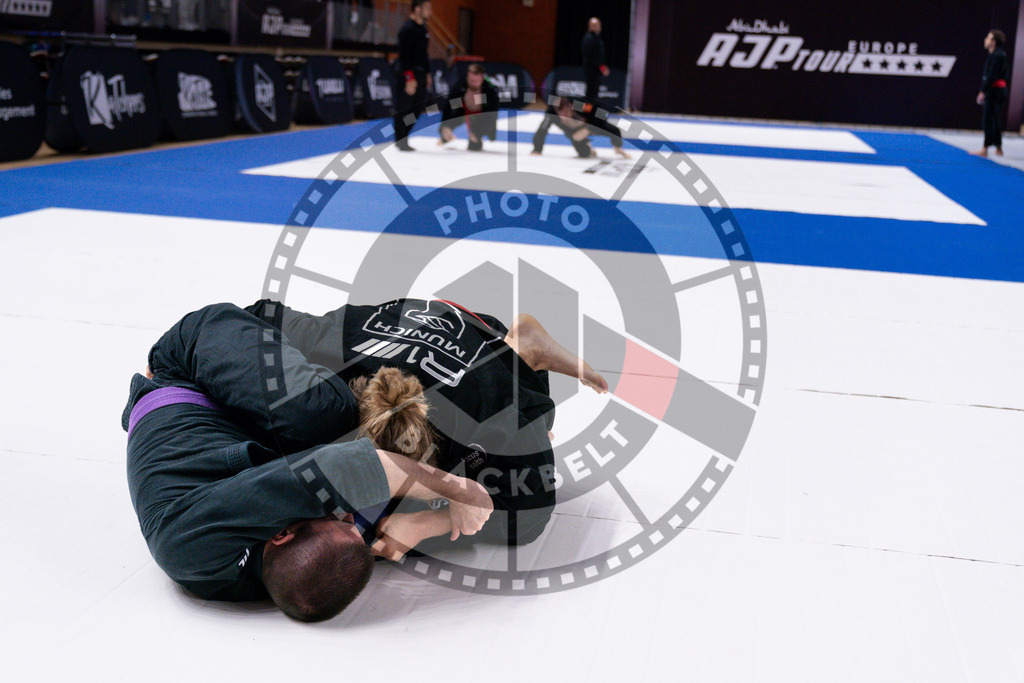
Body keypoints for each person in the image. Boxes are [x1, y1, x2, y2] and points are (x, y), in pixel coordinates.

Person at [124, 302, 492, 621]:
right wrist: (433, 522)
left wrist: (459, 491)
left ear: (280, 534)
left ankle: (283, 328)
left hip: (190, 361)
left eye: (339, 520)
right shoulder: (292, 576)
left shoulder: (194, 547)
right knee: (376, 482)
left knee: (320, 416)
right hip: (239, 415)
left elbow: (364, 468)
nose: (347, 516)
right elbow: (363, 545)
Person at [249, 298, 608, 560]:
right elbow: (258, 314)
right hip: (419, 323)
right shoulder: (333, 344)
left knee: (523, 450)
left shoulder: (498, 417)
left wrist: (429, 523)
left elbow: (533, 516)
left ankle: (524, 349)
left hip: (476, 341)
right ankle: (516, 350)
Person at [531, 96, 631, 159]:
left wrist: (588, 129)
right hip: (573, 131)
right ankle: (588, 148)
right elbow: (542, 130)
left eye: (566, 112)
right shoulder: (552, 113)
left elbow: (602, 114)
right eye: (561, 114)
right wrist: (537, 149)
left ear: (569, 105)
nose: (565, 116)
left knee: (614, 131)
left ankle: (618, 148)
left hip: (592, 123)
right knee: (584, 154)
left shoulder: (580, 105)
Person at [392, 0, 433, 151]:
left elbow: (424, 54)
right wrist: (409, 78)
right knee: (404, 108)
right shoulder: (407, 29)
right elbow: (404, 56)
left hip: (421, 72)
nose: (430, 11)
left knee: (417, 108)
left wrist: (427, 73)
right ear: (417, 9)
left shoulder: (423, 29)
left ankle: (405, 134)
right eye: (427, 8)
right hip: (408, 72)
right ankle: (400, 139)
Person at [438, 62, 500, 151]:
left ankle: (476, 138)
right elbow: (449, 106)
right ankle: (446, 135)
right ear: (467, 77)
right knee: (444, 129)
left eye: (476, 81)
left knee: (474, 145)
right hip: (463, 112)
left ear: (482, 78)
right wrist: (445, 125)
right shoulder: (460, 86)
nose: (473, 83)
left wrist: (478, 133)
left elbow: (491, 115)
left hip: (481, 117)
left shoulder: (489, 90)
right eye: (471, 80)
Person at [974, 30, 1009, 158]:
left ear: (993, 42)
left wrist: (983, 91)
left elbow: (991, 76)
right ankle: (998, 148)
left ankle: (985, 149)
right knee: (995, 118)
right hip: (999, 90)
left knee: (988, 119)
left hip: (994, 91)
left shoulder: (996, 56)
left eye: (988, 38)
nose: (985, 40)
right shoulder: (1000, 54)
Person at [581, 17, 609, 105]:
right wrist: (602, 68)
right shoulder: (589, 39)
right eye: (596, 25)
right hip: (591, 71)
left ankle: (591, 111)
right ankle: (587, 111)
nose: (599, 27)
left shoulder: (596, 38)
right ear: (590, 26)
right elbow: (593, 57)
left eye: (599, 25)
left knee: (593, 94)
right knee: (590, 94)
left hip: (595, 71)